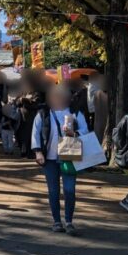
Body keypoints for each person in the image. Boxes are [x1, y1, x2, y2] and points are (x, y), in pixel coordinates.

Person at [32, 84, 88, 236]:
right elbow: (36, 133)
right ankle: (57, 221)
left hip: (70, 155)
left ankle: (69, 221)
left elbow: (85, 130)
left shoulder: (75, 113)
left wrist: (74, 132)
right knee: (53, 190)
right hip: (49, 158)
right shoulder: (43, 113)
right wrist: (38, 151)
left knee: (69, 190)